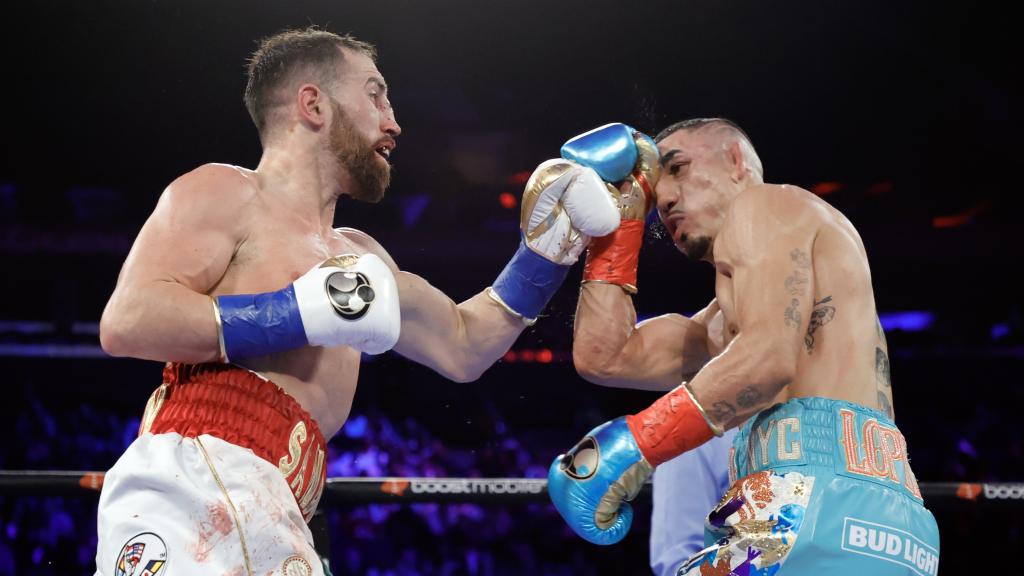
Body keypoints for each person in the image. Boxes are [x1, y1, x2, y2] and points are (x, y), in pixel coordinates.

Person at [94, 27, 624, 576]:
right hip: (194, 479)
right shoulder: (227, 194)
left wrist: (548, 250)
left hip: (279, 497)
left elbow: (466, 345)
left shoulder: (361, 259)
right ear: (313, 104)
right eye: (375, 94)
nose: (393, 121)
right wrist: (296, 312)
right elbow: (129, 321)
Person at [550, 118, 940, 574]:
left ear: (735, 160)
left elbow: (767, 360)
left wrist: (637, 446)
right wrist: (619, 223)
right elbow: (605, 357)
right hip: (888, 523)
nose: (667, 198)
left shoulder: (765, 204)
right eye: (654, 194)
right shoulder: (727, 320)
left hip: (807, 500)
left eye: (676, 168)